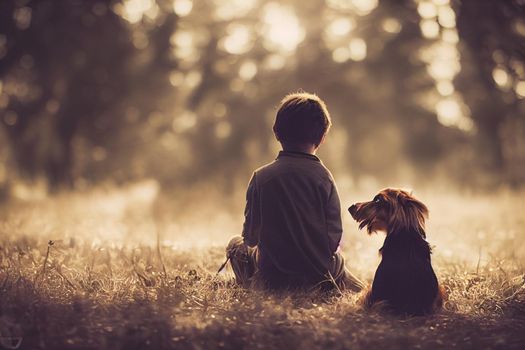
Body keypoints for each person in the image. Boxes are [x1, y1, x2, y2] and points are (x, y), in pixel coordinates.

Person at [226, 92, 364, 292]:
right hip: (320, 275)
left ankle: (253, 287)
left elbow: (250, 238)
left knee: (234, 245)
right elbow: (333, 238)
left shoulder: (261, 177)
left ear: (276, 132)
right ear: (323, 137)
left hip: (273, 278)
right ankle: (362, 292)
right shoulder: (324, 178)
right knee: (343, 270)